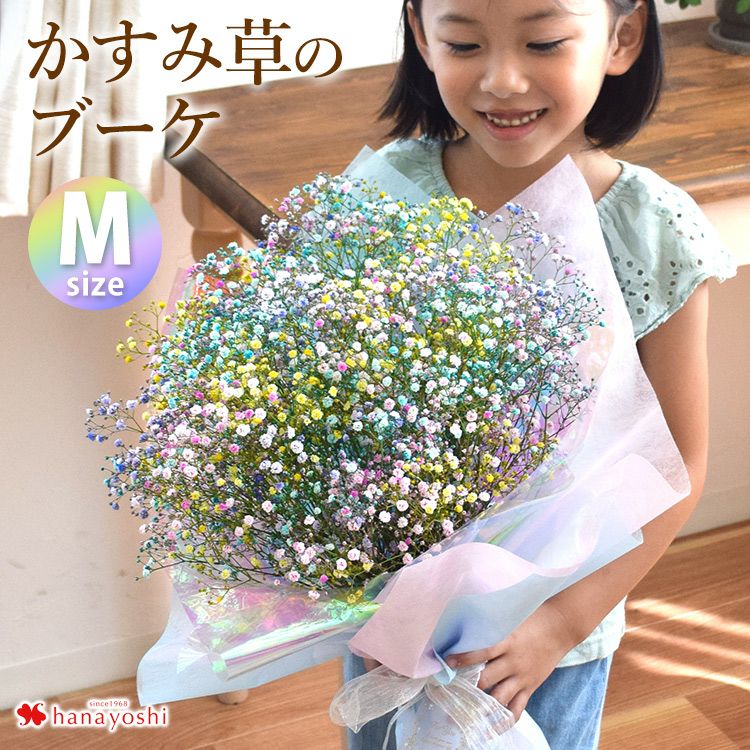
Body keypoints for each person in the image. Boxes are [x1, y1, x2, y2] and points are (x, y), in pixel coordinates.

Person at [342, 0, 737, 748]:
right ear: (422, 36)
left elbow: (677, 466)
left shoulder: (652, 229)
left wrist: (558, 624)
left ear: (622, 37)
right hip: (391, 622)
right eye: (464, 43)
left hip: (545, 645)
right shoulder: (381, 191)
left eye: (545, 41)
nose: (503, 79)